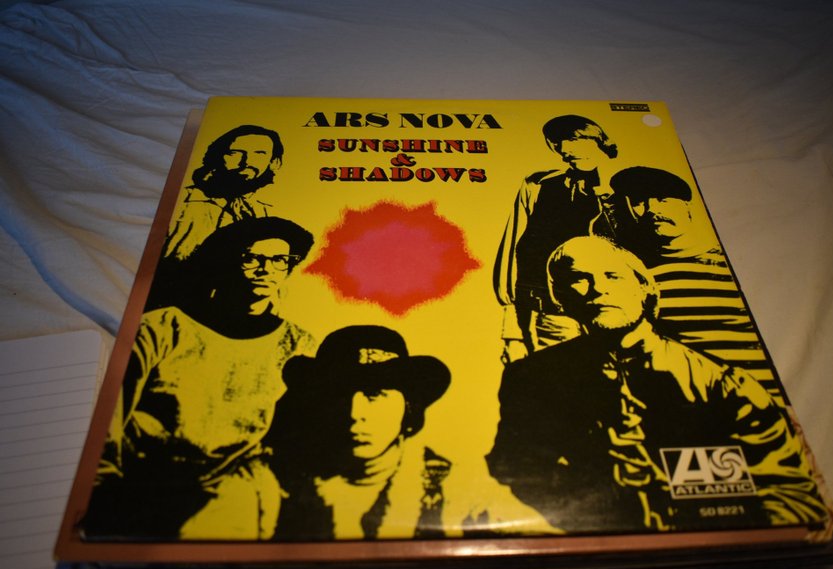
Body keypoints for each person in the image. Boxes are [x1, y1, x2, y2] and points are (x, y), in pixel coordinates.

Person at [486, 236, 828, 534]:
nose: (598, 288)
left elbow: (790, 492)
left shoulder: (723, 383)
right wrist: (594, 506)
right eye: (579, 279)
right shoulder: (530, 379)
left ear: (645, 288)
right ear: (560, 297)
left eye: (612, 276)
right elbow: (516, 466)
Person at [81, 217, 316, 541]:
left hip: (231, 489)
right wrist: (108, 486)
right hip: (146, 480)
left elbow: (300, 432)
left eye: (278, 260)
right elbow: (114, 413)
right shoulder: (162, 328)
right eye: (252, 258)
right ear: (230, 261)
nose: (265, 269)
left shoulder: (299, 345)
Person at [266, 325, 558, 540]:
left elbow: (544, 543)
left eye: (375, 394)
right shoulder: (270, 483)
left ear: (408, 406)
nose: (355, 413)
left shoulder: (454, 488)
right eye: (340, 396)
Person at [607, 166, 778, 395]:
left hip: (760, 389)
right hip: (685, 394)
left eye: (663, 200)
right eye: (640, 202)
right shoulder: (634, 273)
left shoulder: (732, 261)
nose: (652, 209)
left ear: (687, 206)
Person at [493, 115, 620, 362]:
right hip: (555, 315)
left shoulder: (629, 190)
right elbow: (516, 253)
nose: (565, 149)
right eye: (557, 143)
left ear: (599, 140)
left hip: (617, 315)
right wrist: (512, 334)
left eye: (574, 139)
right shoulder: (538, 185)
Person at [162, 124, 286, 263]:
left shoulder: (264, 211)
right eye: (235, 153)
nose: (246, 162)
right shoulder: (183, 202)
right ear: (218, 158)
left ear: (275, 162)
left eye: (259, 153)